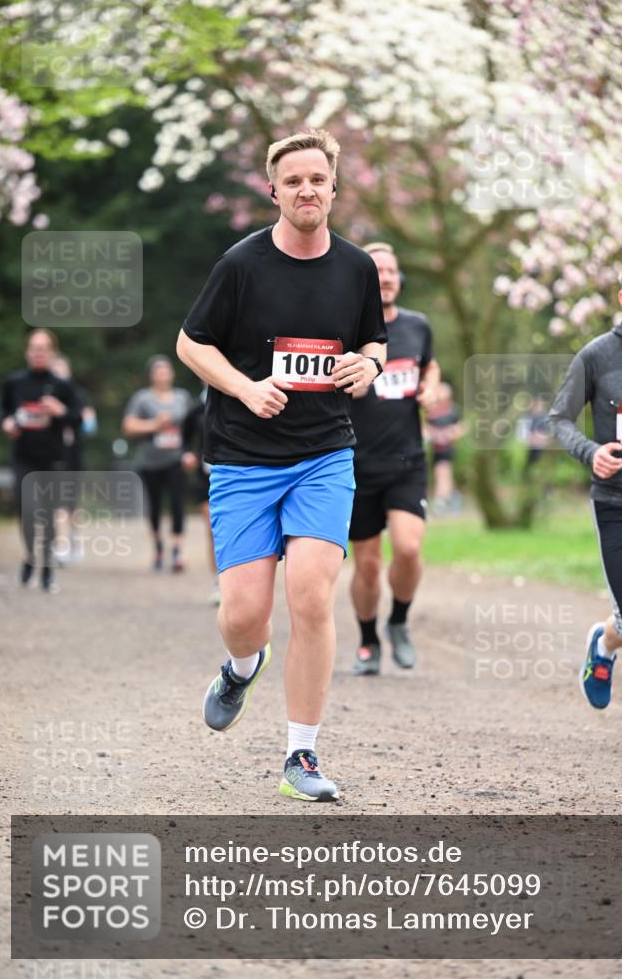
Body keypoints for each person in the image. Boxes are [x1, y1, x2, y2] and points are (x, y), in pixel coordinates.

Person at [176, 128, 387, 801]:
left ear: (333, 188)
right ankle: (243, 665)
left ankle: (301, 755)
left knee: (310, 595)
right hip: (242, 456)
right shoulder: (241, 265)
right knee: (243, 612)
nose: (306, 190)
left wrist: (369, 363)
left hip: (324, 452)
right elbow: (190, 343)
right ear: (273, 190)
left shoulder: (355, 268)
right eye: (292, 180)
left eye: (317, 179)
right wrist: (243, 386)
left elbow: (373, 337)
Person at [549, 251, 622, 755]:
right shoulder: (596, 355)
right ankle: (606, 642)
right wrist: (591, 453)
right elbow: (560, 419)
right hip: (620, 507)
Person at [347, 242, 439, 675]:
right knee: (366, 563)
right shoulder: (344, 328)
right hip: (356, 463)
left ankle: (399, 620)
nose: (385, 277)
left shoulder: (418, 326)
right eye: (376, 270)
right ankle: (368, 641)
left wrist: (432, 387)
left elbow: (430, 365)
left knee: (407, 547)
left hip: (406, 461)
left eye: (391, 270)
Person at [0, 329, 81, 592]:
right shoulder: (15, 383)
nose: (38, 352)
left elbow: (79, 419)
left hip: (53, 459)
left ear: (52, 352)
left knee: (46, 515)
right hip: (24, 457)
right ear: (27, 352)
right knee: (27, 511)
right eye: (34, 347)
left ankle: (46, 569)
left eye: (43, 348)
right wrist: (8, 422)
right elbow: (3, 411)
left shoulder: (63, 386)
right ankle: (30, 556)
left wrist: (60, 411)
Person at [122, 356, 193, 572]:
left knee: (177, 503)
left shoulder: (182, 397)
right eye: (158, 371)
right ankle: (158, 547)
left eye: (166, 370)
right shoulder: (142, 399)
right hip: (149, 461)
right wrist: (154, 424)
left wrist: (190, 452)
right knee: (154, 505)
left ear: (172, 373)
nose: (162, 375)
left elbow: (193, 427)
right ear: (151, 376)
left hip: (176, 459)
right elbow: (128, 426)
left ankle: (177, 550)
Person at [51, 354, 97, 565]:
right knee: (58, 500)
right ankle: (61, 544)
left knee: (71, 502)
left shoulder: (78, 395)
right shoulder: (45, 395)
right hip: (52, 453)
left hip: (73, 454)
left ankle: (73, 538)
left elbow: (90, 425)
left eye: (62, 370)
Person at [182, 387, 220, 605]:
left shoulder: (242, 395)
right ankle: (219, 582)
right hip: (205, 474)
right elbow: (184, 437)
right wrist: (186, 453)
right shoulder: (197, 409)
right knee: (214, 527)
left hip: (238, 470)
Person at [425, 381, 464, 515]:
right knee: (443, 474)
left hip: (448, 448)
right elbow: (426, 428)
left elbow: (461, 427)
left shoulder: (454, 410)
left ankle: (440, 501)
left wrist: (450, 434)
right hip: (436, 449)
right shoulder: (431, 410)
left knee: (442, 472)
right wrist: (434, 434)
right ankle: (454, 497)